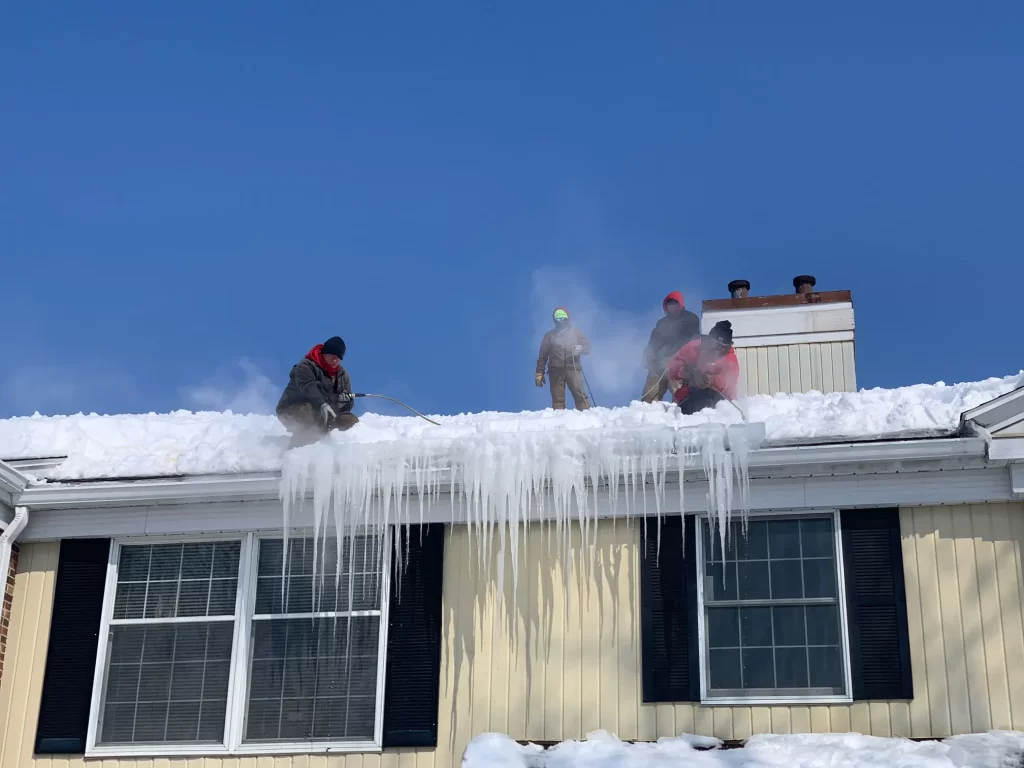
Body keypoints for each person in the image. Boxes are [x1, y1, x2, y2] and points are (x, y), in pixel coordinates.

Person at [276, 336, 358, 445]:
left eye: (338, 358)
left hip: (326, 414)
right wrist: (322, 404)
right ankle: (296, 450)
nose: (335, 360)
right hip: (293, 409)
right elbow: (308, 387)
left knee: (350, 420)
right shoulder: (305, 366)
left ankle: (337, 452)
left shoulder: (343, 375)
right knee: (307, 412)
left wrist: (343, 402)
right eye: (332, 356)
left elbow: (349, 402)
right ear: (324, 353)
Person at [666, 320, 740, 415]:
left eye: (721, 347)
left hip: (720, 400)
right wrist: (684, 371)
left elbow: (729, 383)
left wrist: (712, 380)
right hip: (690, 396)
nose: (716, 350)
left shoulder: (730, 360)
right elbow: (671, 367)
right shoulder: (694, 348)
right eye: (714, 344)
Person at [640, 290, 701, 403]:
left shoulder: (691, 319)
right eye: (669, 304)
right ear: (665, 306)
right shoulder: (661, 323)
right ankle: (647, 413)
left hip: (680, 364)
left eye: (675, 304)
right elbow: (654, 342)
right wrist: (648, 356)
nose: (672, 307)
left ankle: (682, 412)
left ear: (680, 304)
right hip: (659, 365)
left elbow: (693, 341)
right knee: (648, 399)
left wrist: (674, 351)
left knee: (681, 397)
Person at [535, 307, 592, 410]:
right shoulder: (550, 336)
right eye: (558, 319)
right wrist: (539, 373)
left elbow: (587, 347)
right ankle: (559, 420)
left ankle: (586, 416)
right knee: (557, 398)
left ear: (567, 319)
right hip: (555, 371)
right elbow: (542, 356)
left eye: (563, 319)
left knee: (579, 394)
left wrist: (580, 349)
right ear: (554, 320)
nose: (560, 321)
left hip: (573, 368)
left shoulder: (576, 332)